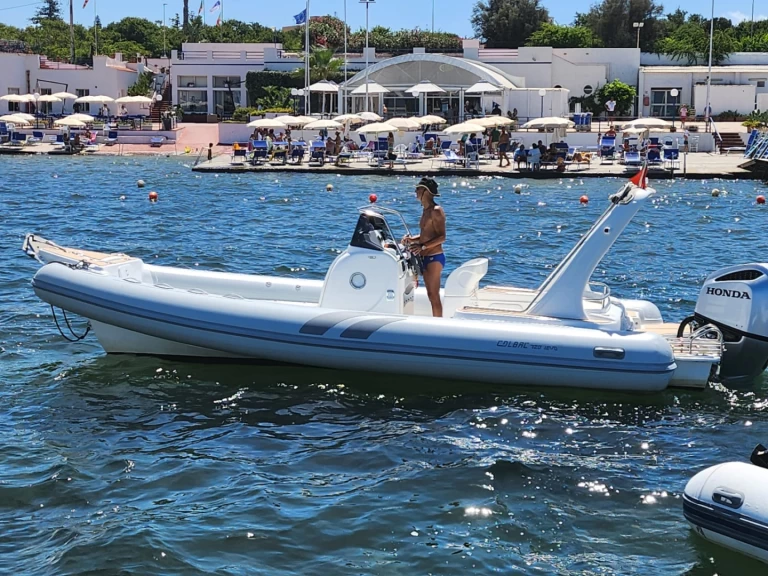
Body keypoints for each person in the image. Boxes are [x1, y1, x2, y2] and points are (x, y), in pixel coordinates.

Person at [402, 177, 446, 318]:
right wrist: (412, 239)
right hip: (425, 256)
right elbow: (427, 235)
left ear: (425, 191)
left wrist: (422, 246)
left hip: (434, 257)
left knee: (433, 295)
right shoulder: (426, 211)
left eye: (418, 189)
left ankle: (438, 325)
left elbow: (442, 237)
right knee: (430, 294)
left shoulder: (436, 211)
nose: (415, 191)